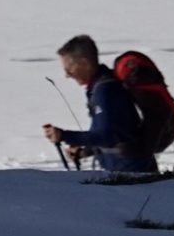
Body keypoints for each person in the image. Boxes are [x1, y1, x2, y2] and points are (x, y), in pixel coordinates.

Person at [42, 35, 157, 177]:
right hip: (129, 172)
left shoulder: (106, 90)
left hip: (132, 175)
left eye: (69, 68)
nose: (67, 75)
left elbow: (107, 135)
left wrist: (64, 135)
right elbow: (116, 132)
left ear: (84, 63)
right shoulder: (101, 87)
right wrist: (85, 151)